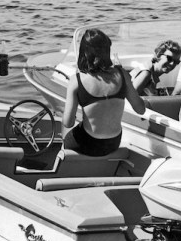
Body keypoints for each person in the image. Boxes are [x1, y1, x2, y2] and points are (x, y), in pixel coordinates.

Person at [62, 28, 145, 156]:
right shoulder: (122, 74)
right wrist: (122, 75)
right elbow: (140, 109)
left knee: (66, 136)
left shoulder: (77, 80)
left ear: (84, 52)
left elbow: (68, 123)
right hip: (113, 142)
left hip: (88, 142)